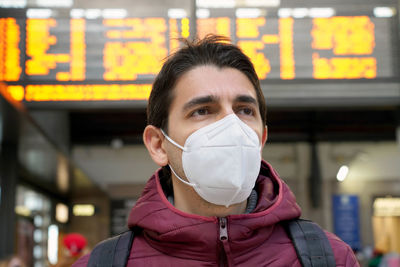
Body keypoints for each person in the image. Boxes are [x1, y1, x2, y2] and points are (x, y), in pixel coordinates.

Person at [73, 35, 359, 266]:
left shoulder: (331, 258)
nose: (231, 125)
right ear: (158, 145)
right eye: (202, 111)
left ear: (261, 139)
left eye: (245, 110)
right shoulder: (104, 263)